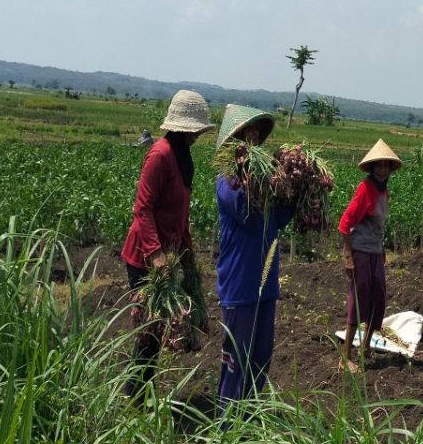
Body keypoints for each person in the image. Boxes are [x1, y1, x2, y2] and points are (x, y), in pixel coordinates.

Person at [120, 89, 215, 400]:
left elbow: (180, 213)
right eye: (197, 128)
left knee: (157, 330)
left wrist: (185, 252)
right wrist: (156, 254)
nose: (199, 133)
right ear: (183, 127)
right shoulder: (160, 155)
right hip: (144, 259)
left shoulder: (183, 156)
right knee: (148, 332)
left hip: (167, 256)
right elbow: (142, 208)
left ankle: (141, 396)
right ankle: (132, 398)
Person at [213, 104, 294, 410]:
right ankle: (226, 424)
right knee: (236, 359)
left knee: (260, 358)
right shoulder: (227, 183)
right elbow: (248, 214)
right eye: (245, 136)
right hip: (240, 285)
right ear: (234, 145)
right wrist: (254, 177)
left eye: (256, 136)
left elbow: (279, 218)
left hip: (266, 283)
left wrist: (293, 191)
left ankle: (248, 421)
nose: (252, 142)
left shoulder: (266, 184)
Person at [338, 138, 401, 373]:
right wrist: (348, 255)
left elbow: (377, 226)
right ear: (372, 168)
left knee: (378, 298)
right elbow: (345, 223)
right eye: (379, 166)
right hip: (361, 251)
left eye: (386, 165)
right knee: (359, 298)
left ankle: (366, 348)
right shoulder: (366, 189)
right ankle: (345, 356)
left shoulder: (383, 192)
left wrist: (381, 248)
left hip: (374, 250)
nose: (383, 169)